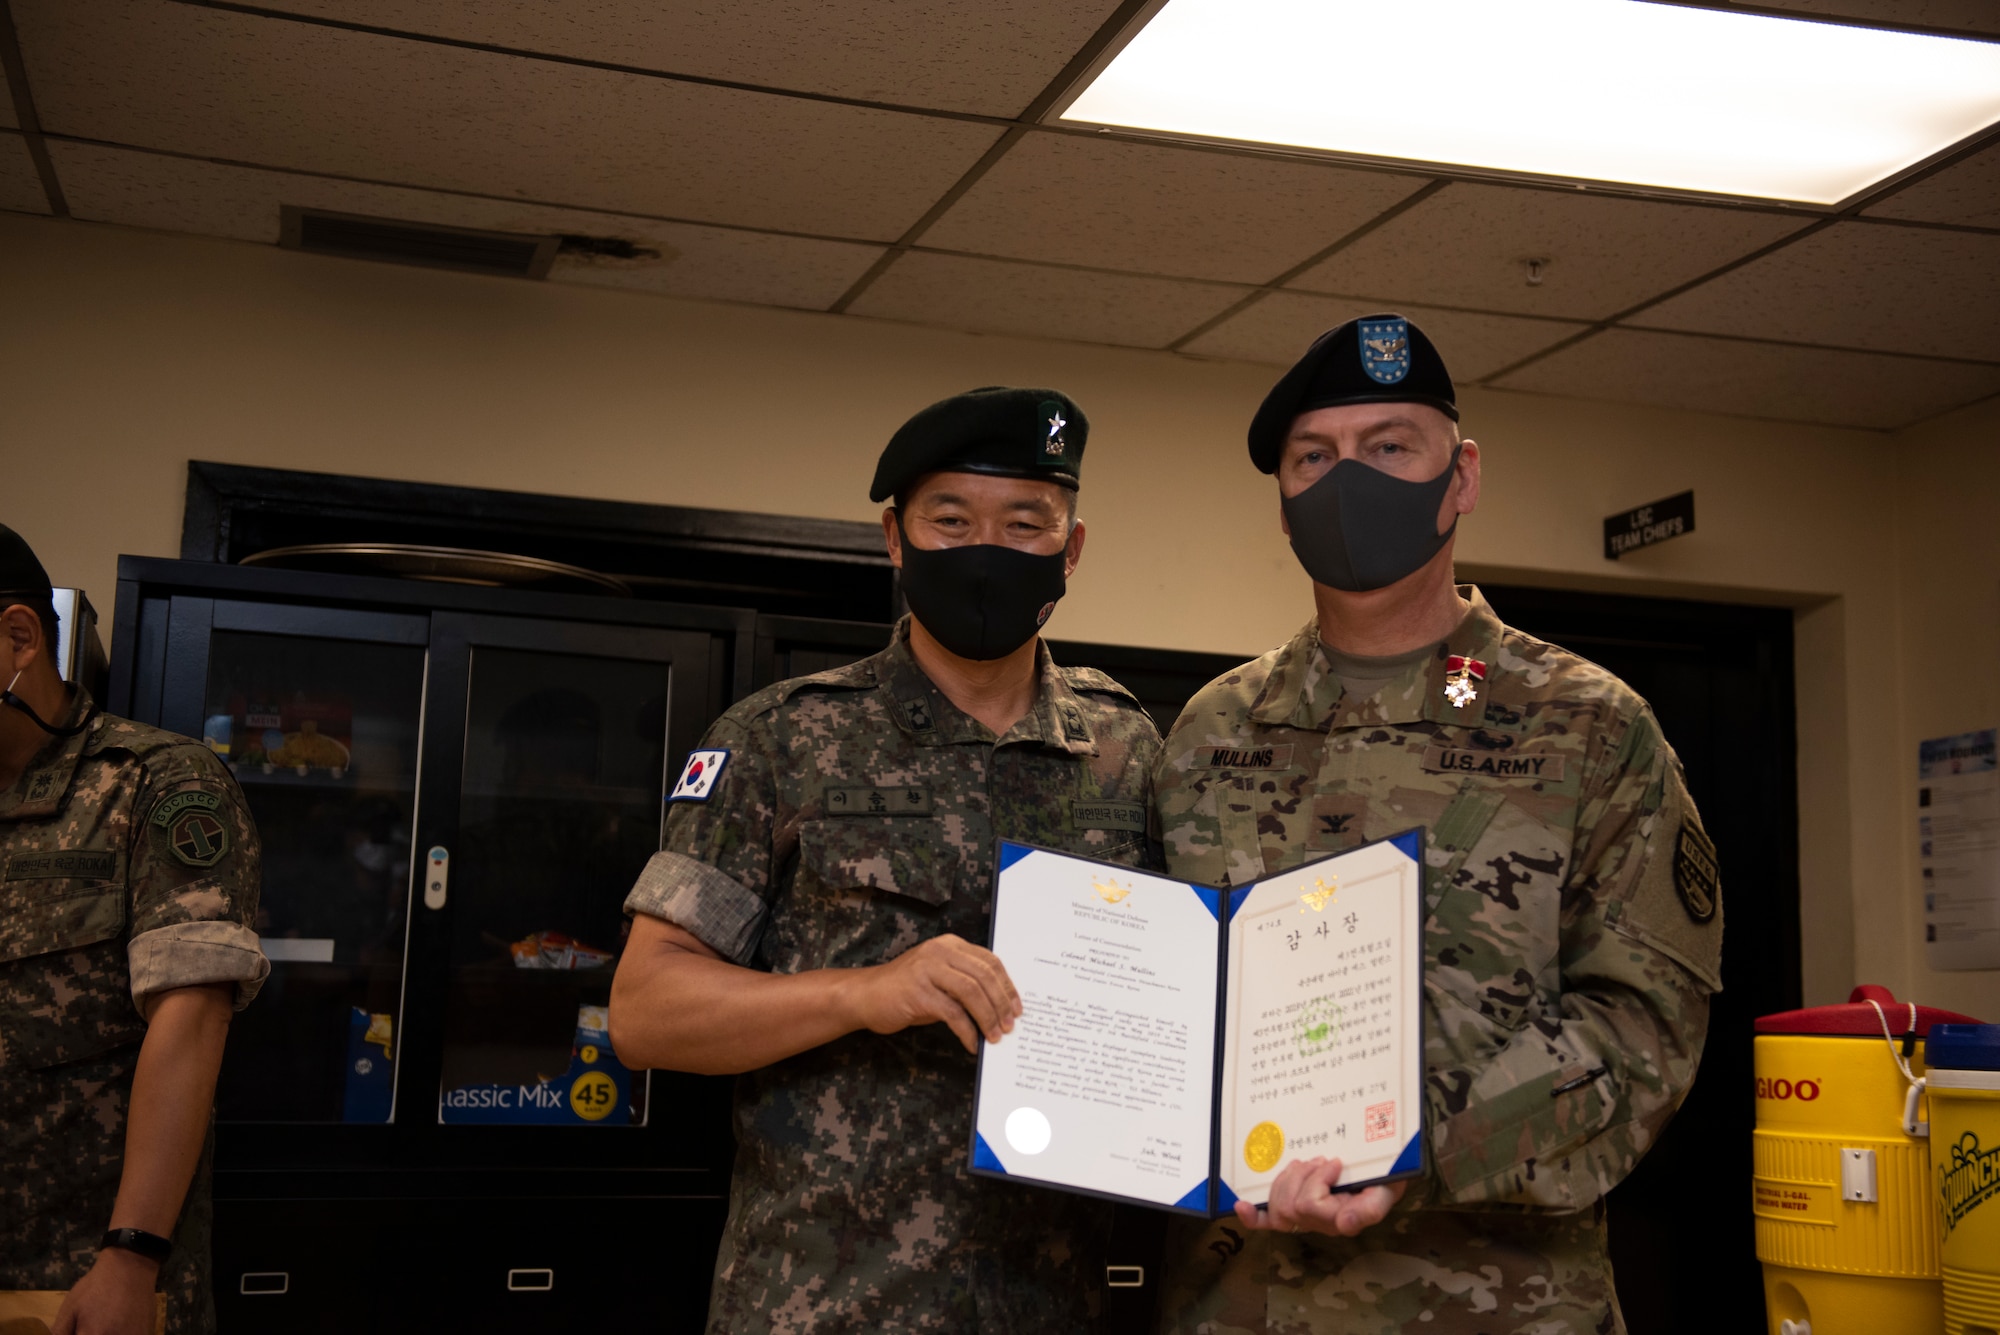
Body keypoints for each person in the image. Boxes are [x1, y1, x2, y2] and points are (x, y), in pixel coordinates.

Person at [1151, 317, 1723, 1333]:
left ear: (1458, 477)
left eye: (1387, 447)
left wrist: (1411, 1150)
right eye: (1312, 457)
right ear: (1282, 504)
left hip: (1499, 1308)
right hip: (1239, 1303)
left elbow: (1642, 1029)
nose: (1346, 480)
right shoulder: (1212, 732)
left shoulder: (1588, 725)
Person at [608, 387, 1164, 1333]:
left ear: (1071, 550)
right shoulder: (781, 738)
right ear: (895, 538)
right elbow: (646, 1013)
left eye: (1024, 522)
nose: (985, 547)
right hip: (825, 1300)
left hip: (1051, 1301)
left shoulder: (1128, 750)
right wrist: (861, 992)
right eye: (951, 518)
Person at [0, 524, 268, 1335]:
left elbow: (191, 1019)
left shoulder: (155, 783)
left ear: (17, 637)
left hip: (76, 1275)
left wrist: (131, 1253)